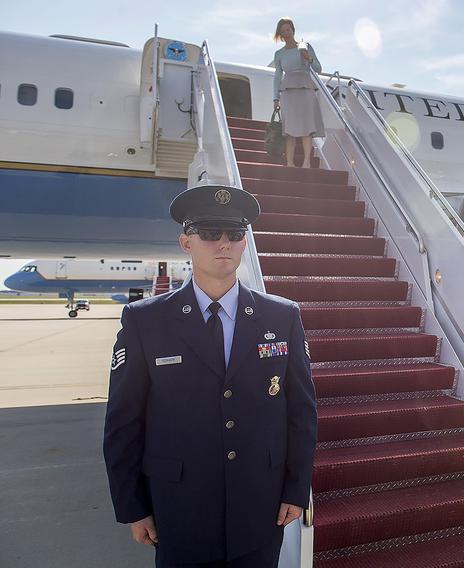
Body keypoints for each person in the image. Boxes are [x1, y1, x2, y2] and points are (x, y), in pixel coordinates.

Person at [102, 184, 318, 568]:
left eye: (235, 235)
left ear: (244, 242)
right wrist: (133, 506)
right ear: (186, 241)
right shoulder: (145, 320)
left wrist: (296, 489)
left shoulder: (282, 316)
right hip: (178, 510)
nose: (224, 244)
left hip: (260, 506)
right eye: (209, 234)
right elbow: (123, 422)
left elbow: (301, 413)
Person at [272, 17, 325, 168]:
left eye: (288, 30)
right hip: (287, 92)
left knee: (307, 127)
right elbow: (277, 77)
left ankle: (306, 161)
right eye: (283, 32)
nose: (286, 33)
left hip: (306, 89)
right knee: (289, 129)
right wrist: (275, 98)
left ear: (293, 30)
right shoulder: (279, 54)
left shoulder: (305, 46)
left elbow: (318, 68)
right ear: (280, 35)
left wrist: (309, 59)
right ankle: (289, 162)